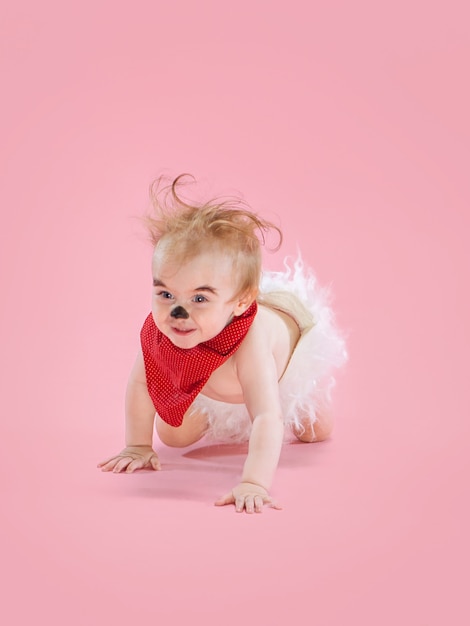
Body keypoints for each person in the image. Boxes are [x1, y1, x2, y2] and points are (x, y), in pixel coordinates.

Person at [97, 175, 347, 513]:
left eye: (200, 297)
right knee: (172, 435)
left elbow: (267, 416)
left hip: (285, 364)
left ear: (241, 302)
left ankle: (310, 404)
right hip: (215, 381)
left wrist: (253, 482)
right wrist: (138, 445)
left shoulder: (250, 341)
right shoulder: (163, 330)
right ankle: (219, 410)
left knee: (316, 430)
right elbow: (141, 383)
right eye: (166, 294)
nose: (178, 311)